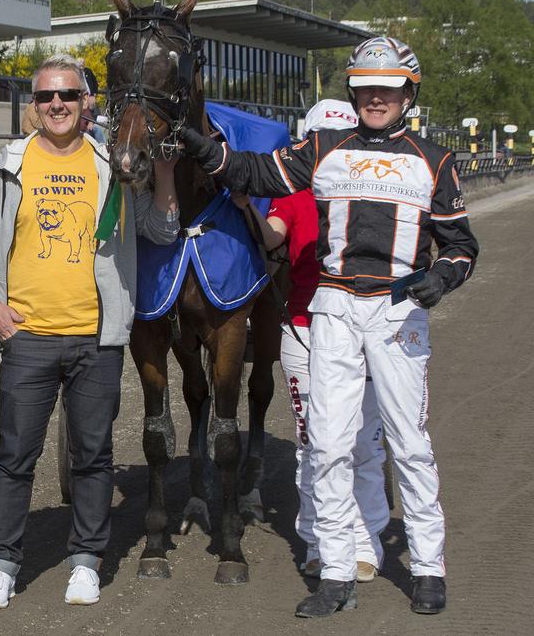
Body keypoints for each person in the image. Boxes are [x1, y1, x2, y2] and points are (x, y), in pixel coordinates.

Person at [178, 36, 478, 618]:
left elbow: (462, 245)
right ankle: (337, 573)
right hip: (334, 308)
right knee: (328, 446)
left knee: (408, 444)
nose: (375, 98)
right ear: (353, 91)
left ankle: (427, 565)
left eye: (387, 90)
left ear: (408, 93)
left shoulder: (435, 160)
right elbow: (253, 172)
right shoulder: (322, 148)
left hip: (397, 312)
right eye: (366, 88)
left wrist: (440, 277)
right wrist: (201, 149)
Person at [0, 54, 180, 609]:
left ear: (86, 102)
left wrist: (164, 169)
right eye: (44, 97)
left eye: (66, 95)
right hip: (27, 336)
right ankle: (3, 563)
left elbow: (160, 227)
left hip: (96, 338)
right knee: (15, 454)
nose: (55, 104)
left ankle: (86, 558)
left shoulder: (115, 164)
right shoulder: (8, 163)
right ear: (33, 106)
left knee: (93, 454)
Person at [236, 99, 389, 584]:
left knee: (363, 443)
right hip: (303, 330)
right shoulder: (294, 195)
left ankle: (365, 541)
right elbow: (272, 238)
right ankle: (320, 542)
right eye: (320, 139)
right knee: (314, 444)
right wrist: (246, 208)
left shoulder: (380, 193)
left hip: (366, 329)